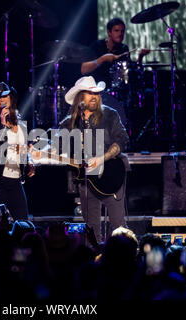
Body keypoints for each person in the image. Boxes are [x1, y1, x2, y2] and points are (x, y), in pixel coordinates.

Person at [60, 76, 130, 241]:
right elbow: (58, 144)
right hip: (86, 180)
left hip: (111, 177)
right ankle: (95, 261)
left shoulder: (110, 115)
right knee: (91, 230)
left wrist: (101, 158)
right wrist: (41, 150)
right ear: (79, 98)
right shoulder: (70, 123)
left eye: (97, 93)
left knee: (119, 226)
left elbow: (122, 140)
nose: (94, 96)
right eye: (89, 93)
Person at [0, 82, 35, 226]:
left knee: (23, 225)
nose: (2, 100)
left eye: (5, 96)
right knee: (2, 227)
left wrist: (28, 161)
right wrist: (3, 126)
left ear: (11, 97)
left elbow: (22, 146)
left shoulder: (19, 118)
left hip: (15, 179)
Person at [80, 17, 150, 88]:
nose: (120, 34)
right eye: (116, 30)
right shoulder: (97, 45)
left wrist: (141, 56)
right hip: (96, 89)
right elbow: (84, 69)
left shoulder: (124, 48)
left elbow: (130, 73)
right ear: (109, 32)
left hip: (115, 91)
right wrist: (103, 59)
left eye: (122, 31)